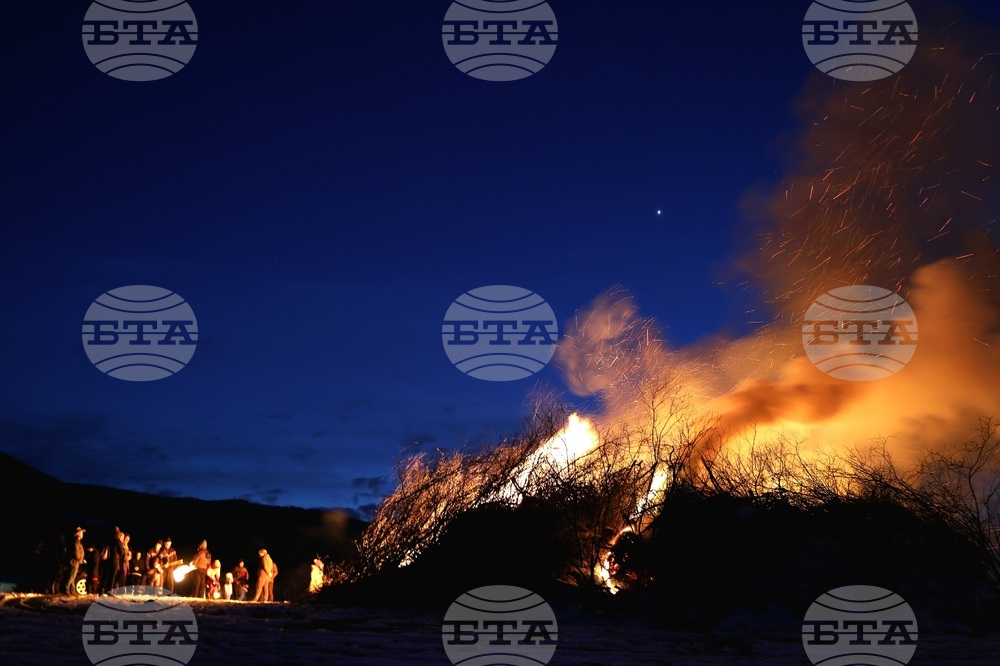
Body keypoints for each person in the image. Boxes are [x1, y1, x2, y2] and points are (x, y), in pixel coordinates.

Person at [64, 527, 85, 595]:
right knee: (71, 576)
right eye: (81, 533)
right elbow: (76, 552)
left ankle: (72, 590)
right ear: (78, 534)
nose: (82, 534)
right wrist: (79, 558)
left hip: (76, 561)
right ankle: (67, 589)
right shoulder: (75, 542)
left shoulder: (78, 542)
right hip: (74, 561)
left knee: (73, 576)